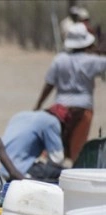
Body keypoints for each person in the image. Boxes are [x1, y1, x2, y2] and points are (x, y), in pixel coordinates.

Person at [35, 22, 106, 161]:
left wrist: (39, 104)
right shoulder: (93, 61)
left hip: (60, 108)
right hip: (83, 107)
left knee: (55, 145)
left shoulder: (59, 60)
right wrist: (99, 49)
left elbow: (49, 85)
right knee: (77, 149)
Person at [1, 105, 69, 182]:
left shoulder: (20, 115)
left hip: (1, 165)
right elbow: (57, 159)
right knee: (67, 174)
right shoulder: (52, 122)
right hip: (19, 171)